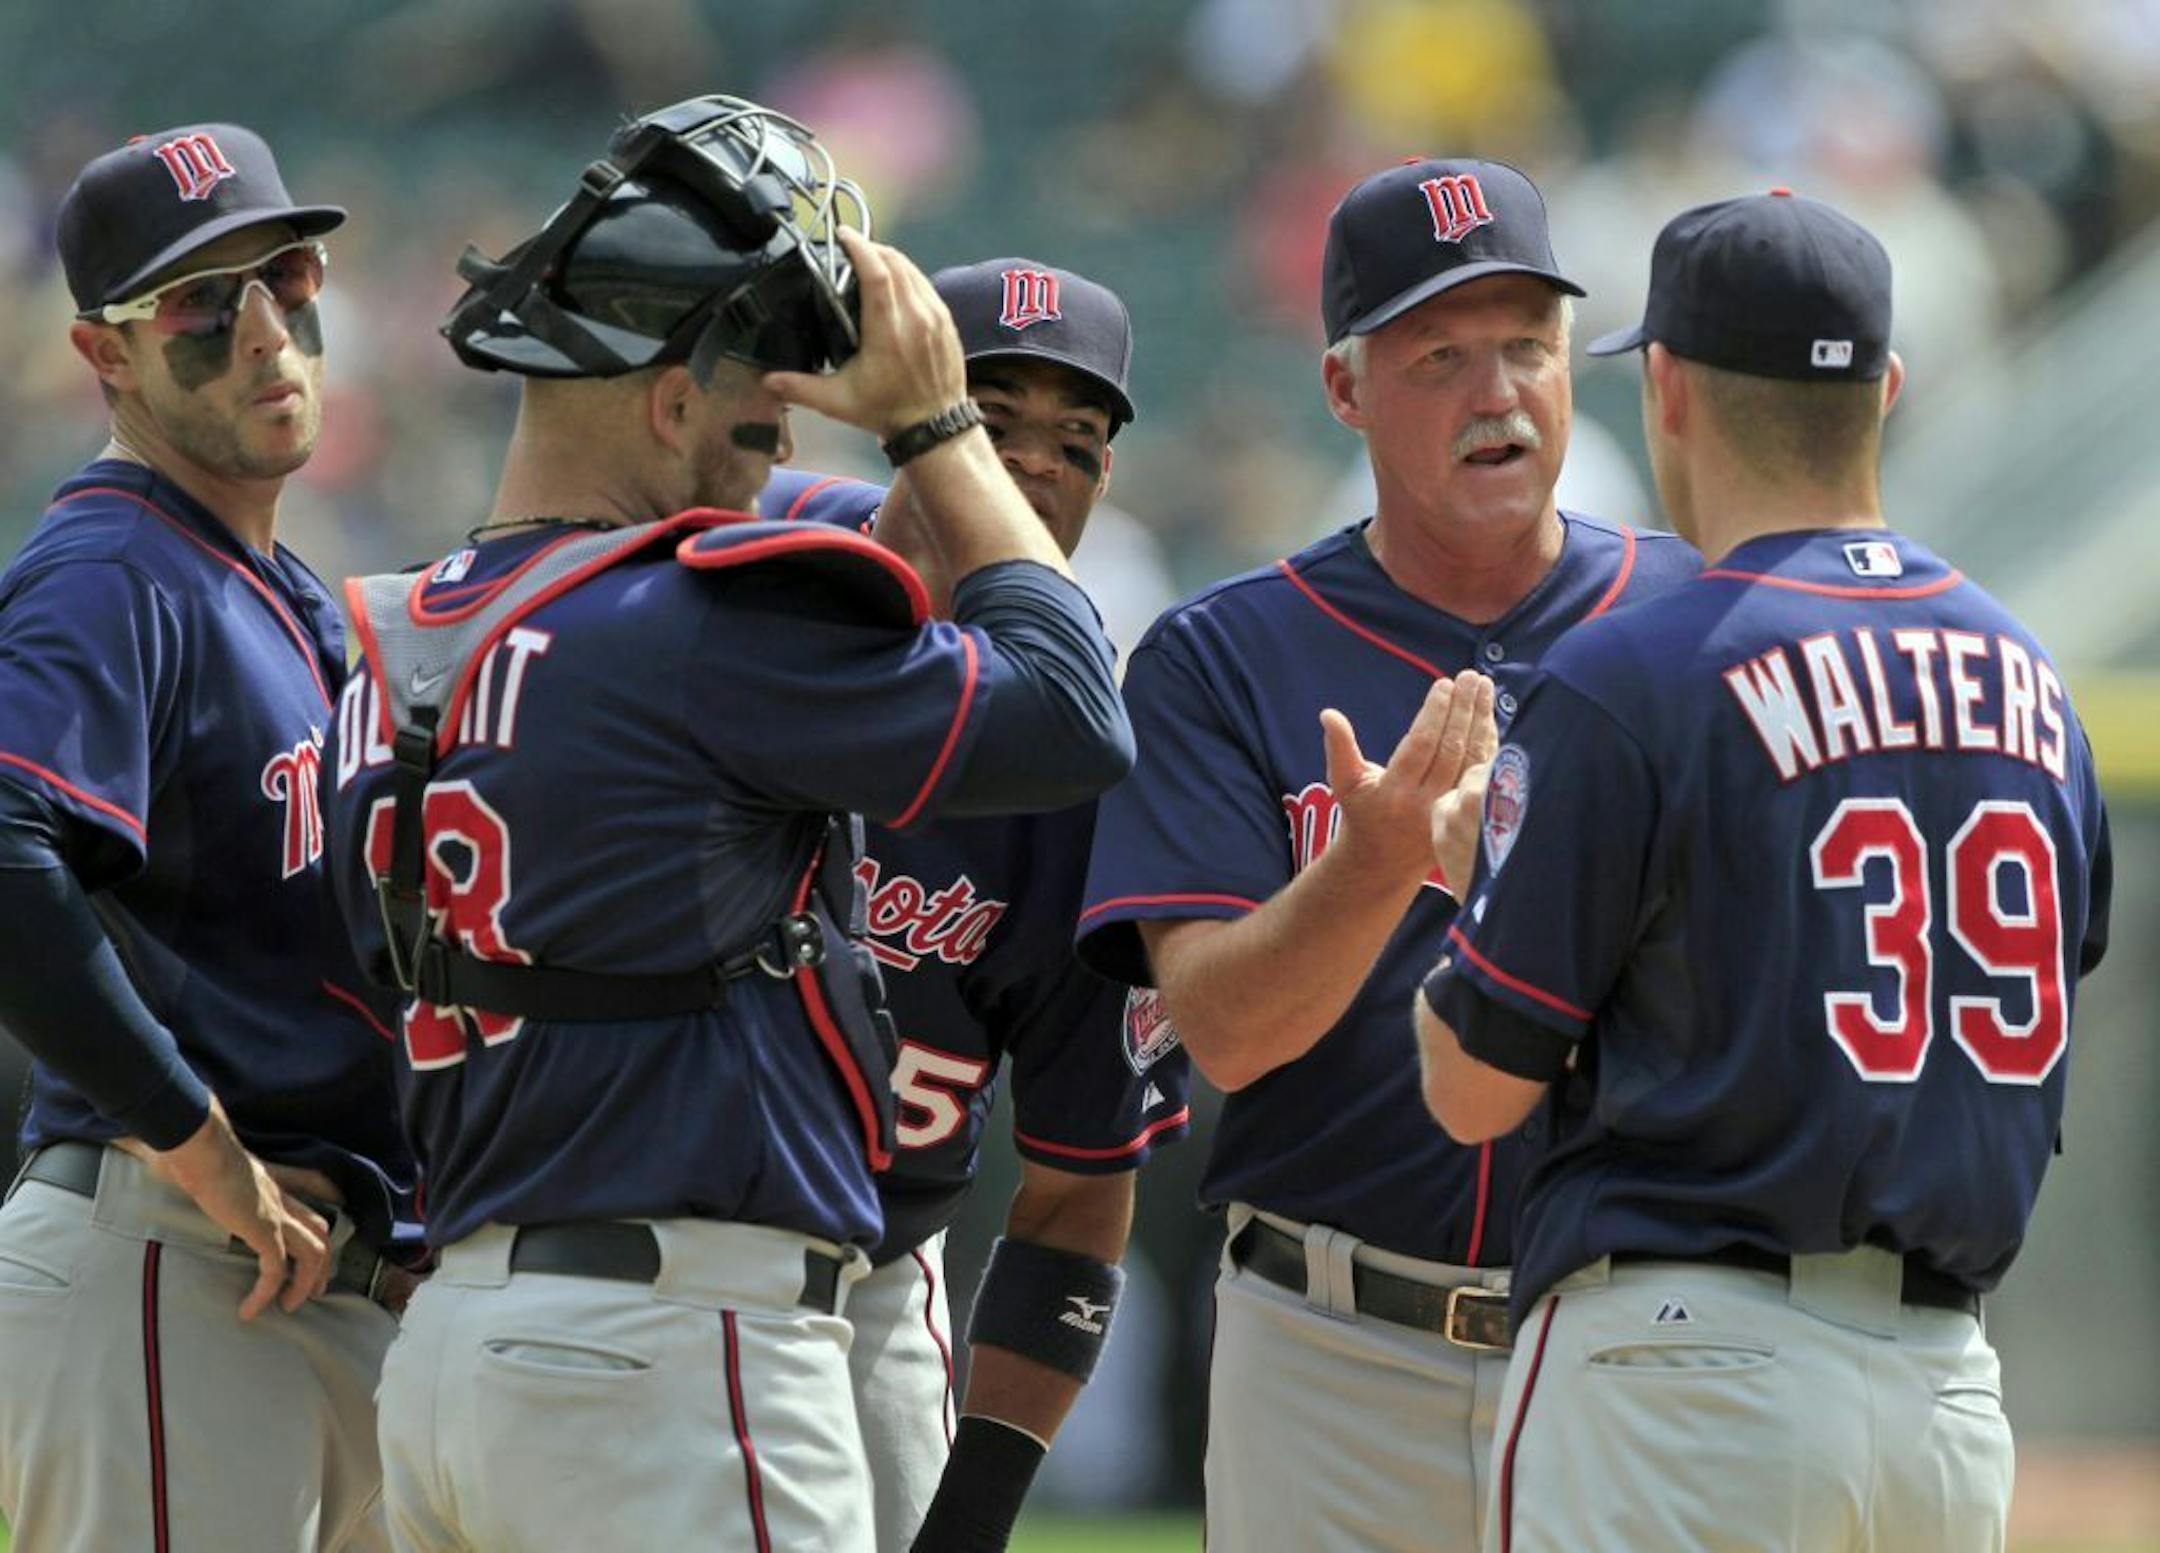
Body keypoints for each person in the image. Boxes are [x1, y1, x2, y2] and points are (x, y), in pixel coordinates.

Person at [321, 97, 1135, 1553]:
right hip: (669, 1363)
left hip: (451, 1354)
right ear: (667, 398)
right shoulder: (695, 622)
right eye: (756, 405)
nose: (775, 443)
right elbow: (1074, 709)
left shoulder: (386, 639)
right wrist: (936, 424)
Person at [1415, 190, 2112, 1552]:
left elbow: (1472, 1086)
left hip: (1682, 1374)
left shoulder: (1635, 676)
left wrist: (1471, 891)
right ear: (1889, 389)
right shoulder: (2038, 687)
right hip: (1943, 1400)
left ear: (1666, 385)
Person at [1078, 159, 1698, 1550]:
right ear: (1346, 389)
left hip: (1633, 1332)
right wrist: (1370, 868)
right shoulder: (1225, 655)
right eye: (1439, 356)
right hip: (1335, 1346)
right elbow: (1222, 1034)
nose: (1499, 391)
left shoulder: (1690, 622)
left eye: (1527, 345)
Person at [0, 124, 418, 1552]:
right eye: (198, 303)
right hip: (168, 1258)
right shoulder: (113, 568)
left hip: (299, 1277)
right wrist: (203, 1148)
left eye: (284, 275)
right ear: (102, 355)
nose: (264, 331)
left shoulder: (277, 587)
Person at [762, 256, 1192, 1553]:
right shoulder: (754, 561)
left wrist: (975, 1517)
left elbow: (1076, 1194)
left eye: (1079, 438)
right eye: (989, 417)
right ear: (906, 407)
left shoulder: (1083, 774)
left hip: (871, 1279)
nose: (1035, 464)